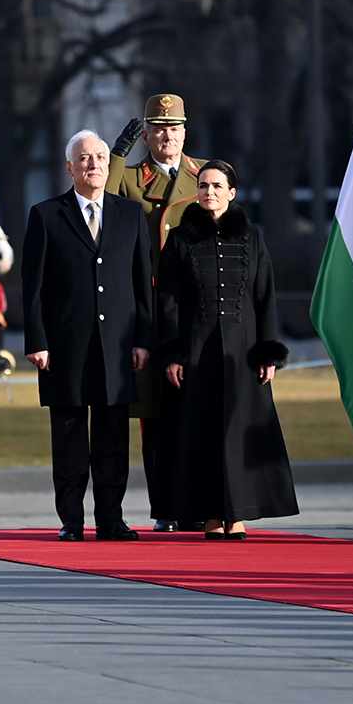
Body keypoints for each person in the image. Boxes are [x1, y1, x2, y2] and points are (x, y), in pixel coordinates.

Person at [22, 129, 153, 542]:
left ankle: (112, 519)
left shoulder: (130, 214)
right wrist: (37, 341)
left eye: (99, 157)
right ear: (69, 167)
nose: (93, 164)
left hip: (118, 347)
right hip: (65, 347)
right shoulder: (46, 215)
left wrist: (143, 339)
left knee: (113, 437)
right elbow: (33, 286)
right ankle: (72, 520)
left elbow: (142, 283)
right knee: (69, 438)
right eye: (83, 158)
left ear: (109, 165)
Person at [157, 160, 294, 540]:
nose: (209, 192)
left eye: (217, 186)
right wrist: (172, 353)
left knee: (238, 432)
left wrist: (268, 353)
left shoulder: (251, 237)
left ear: (231, 193)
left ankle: (238, 513)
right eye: (203, 185)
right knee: (202, 432)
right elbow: (167, 300)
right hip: (196, 352)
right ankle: (210, 515)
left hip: (242, 353)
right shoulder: (180, 239)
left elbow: (265, 297)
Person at [105, 92, 205, 531]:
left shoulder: (205, 176)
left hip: (196, 310)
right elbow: (103, 201)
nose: (168, 136)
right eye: (159, 129)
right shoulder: (131, 178)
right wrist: (116, 156)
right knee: (156, 417)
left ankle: (201, 504)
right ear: (145, 135)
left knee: (199, 412)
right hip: (149, 312)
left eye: (175, 128)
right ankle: (165, 504)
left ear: (185, 132)